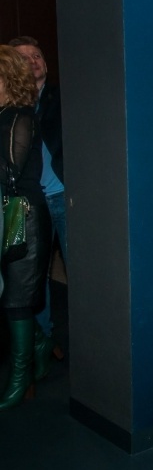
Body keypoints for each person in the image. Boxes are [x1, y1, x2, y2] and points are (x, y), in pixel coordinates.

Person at [0, 45, 53, 411]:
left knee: (17, 298)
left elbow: (12, 172)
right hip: (7, 212)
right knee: (10, 294)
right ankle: (38, 344)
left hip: (23, 215)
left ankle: (22, 375)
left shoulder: (21, 116)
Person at [8, 36, 65, 343]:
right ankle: (40, 342)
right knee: (31, 279)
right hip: (27, 206)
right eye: (24, 58)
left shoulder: (64, 96)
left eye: (37, 55)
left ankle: (80, 349)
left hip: (63, 198)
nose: (33, 61)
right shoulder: (9, 107)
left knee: (78, 270)